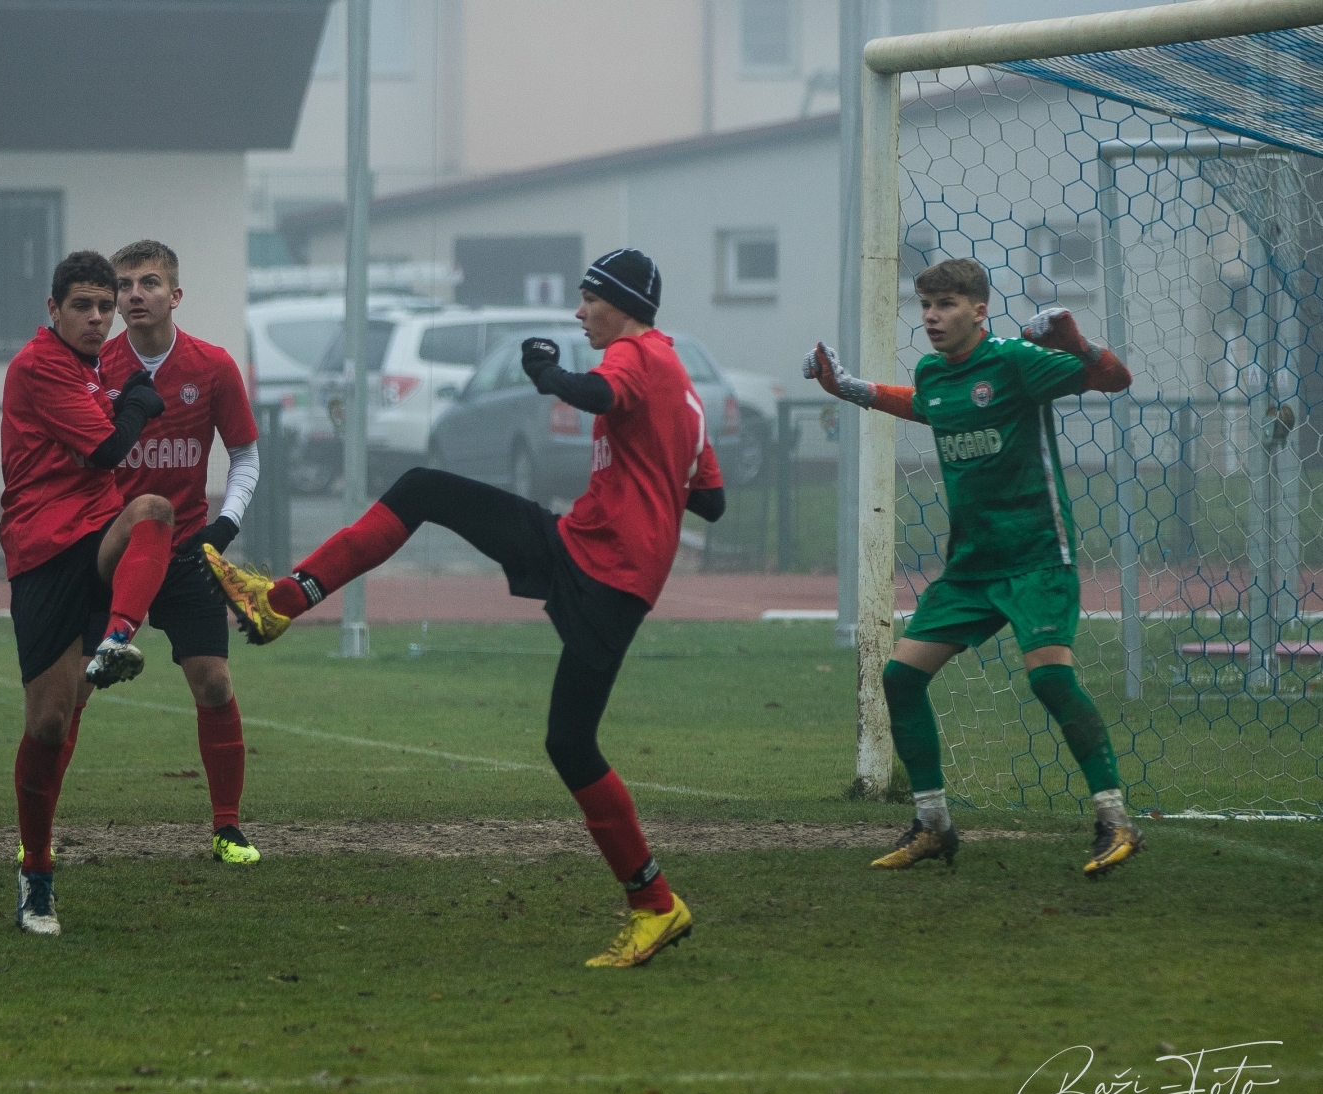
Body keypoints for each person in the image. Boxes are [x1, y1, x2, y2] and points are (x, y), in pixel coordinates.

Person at [205, 249, 726, 967]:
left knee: (571, 744)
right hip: (584, 550)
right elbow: (712, 500)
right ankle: (280, 602)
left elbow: (599, 394)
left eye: (589, 299)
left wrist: (547, 374)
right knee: (424, 488)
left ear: (622, 304)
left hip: (610, 572)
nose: (579, 312)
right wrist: (651, 477)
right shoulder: (686, 391)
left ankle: (657, 904)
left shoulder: (638, 356)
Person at [803, 257, 1143, 878]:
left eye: (947, 305)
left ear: (979, 310)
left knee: (1050, 680)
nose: (932, 317)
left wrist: (1075, 342)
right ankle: (933, 824)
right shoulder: (933, 372)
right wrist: (851, 389)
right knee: (901, 679)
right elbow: (929, 404)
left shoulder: (1015, 361)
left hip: (1036, 555)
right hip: (970, 566)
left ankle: (1115, 819)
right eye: (926, 305)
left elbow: (1113, 379)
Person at [1, 250, 177, 935]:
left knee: (154, 511)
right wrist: (135, 404)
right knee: (49, 723)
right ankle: (35, 871)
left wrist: (129, 392)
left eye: (106, 306)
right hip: (43, 551)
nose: (98, 317)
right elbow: (107, 449)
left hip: (96, 535)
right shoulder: (39, 365)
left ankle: (117, 639)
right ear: (53, 309)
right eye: (83, 305)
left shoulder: (94, 366)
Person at [98, 240, 264, 866]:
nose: (133, 295)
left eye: (147, 282)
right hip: (111, 549)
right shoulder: (97, 367)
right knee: (69, 696)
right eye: (123, 285)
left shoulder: (212, 366)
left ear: (175, 295)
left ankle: (227, 828)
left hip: (186, 549)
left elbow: (244, 455)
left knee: (214, 682)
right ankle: (41, 834)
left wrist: (225, 525)